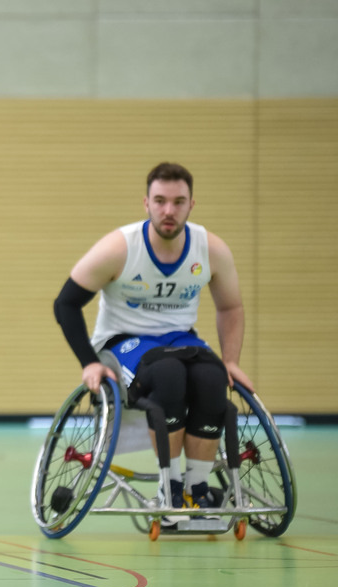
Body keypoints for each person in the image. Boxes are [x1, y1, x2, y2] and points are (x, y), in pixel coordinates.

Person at [53, 162, 251, 523]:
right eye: (160, 201)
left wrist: (232, 360)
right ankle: (170, 489)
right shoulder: (119, 248)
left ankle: (197, 490)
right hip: (123, 340)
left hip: (179, 338)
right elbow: (65, 303)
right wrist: (89, 362)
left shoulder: (211, 249)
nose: (169, 210)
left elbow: (231, 306)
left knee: (211, 378)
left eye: (178, 202)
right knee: (168, 375)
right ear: (146, 203)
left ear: (192, 205)